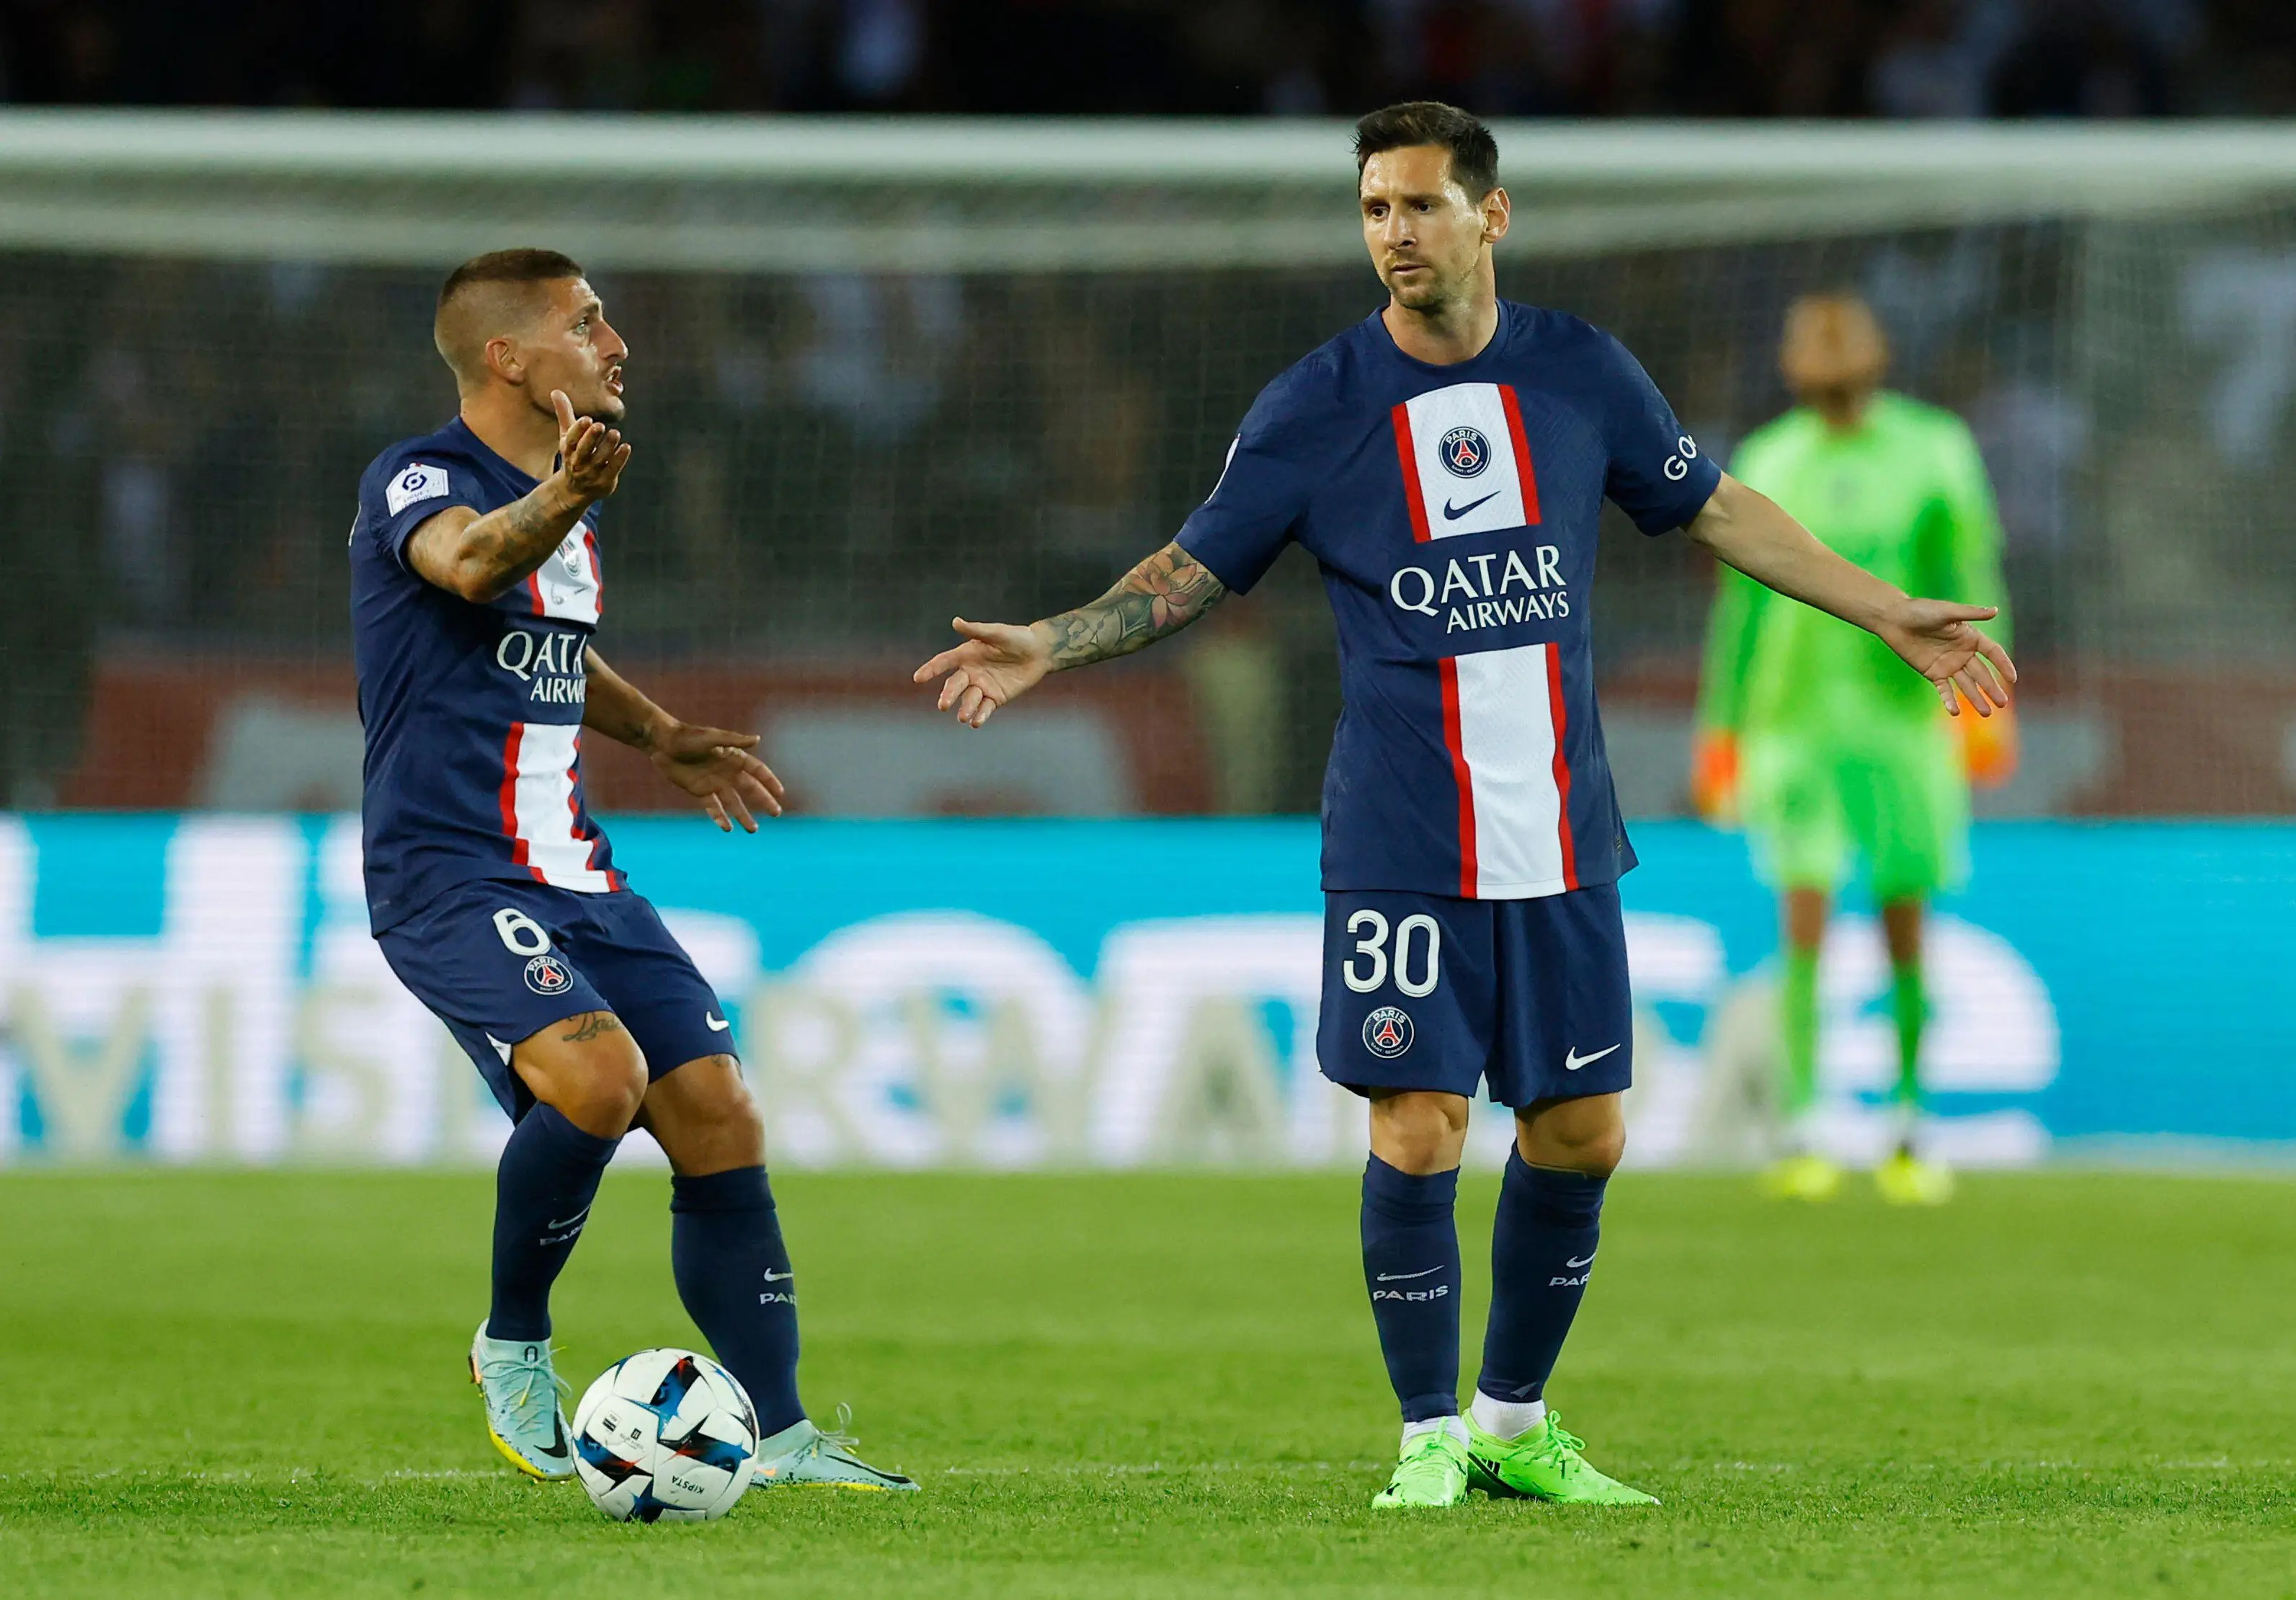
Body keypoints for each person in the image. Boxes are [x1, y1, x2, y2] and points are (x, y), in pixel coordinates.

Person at [914, 105, 2014, 1511]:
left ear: (1490, 216)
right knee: (1420, 1123)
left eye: (1421, 205)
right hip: (1404, 838)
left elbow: (1721, 507)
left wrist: (1881, 613)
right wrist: (1052, 643)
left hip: (1560, 829)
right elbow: (1192, 568)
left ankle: (1511, 1421)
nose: (1394, 232)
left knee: (1581, 1135)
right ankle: (1427, 1433)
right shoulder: (1316, 403)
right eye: (1375, 207)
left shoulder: (1581, 374)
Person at [350, 248, 914, 1492]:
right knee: (600, 1080)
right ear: (508, 357)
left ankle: (781, 1436)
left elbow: (547, 643)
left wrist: (658, 734)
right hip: (448, 872)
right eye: (589, 323)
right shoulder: (423, 476)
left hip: (578, 873)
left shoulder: (567, 504)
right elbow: (467, 565)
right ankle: (512, 1343)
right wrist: (556, 499)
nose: (619, 344)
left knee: (717, 1107)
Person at [1694, 293, 2014, 1206]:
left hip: (1905, 722)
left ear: (1874, 353)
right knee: (1803, 920)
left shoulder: (1934, 449)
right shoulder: (1768, 458)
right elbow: (1742, 613)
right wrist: (1722, 728)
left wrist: (1992, 704)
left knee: (1903, 917)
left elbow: (1973, 578)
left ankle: (1910, 1120)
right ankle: (1803, 1123)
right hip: (1791, 725)